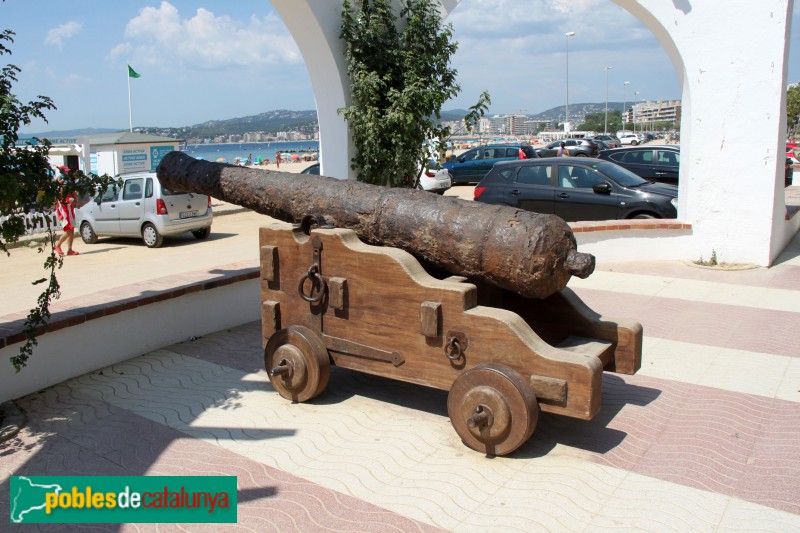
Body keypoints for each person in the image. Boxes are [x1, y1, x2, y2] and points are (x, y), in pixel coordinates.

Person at [54, 166, 79, 256]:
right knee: (68, 230)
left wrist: (75, 198)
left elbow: (74, 195)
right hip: (64, 210)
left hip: (69, 209)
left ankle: (70, 250)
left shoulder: (68, 184)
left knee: (71, 230)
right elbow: (61, 199)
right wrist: (70, 200)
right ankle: (57, 245)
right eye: (66, 172)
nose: (68, 173)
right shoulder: (60, 185)